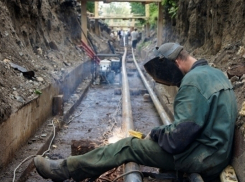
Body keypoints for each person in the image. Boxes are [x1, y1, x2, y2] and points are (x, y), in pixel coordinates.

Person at [34, 42, 238, 182]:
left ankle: (64, 170)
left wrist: (157, 133)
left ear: (176, 63)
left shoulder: (192, 83)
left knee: (127, 146)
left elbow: (178, 138)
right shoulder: (215, 74)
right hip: (217, 154)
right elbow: (196, 124)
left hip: (203, 158)